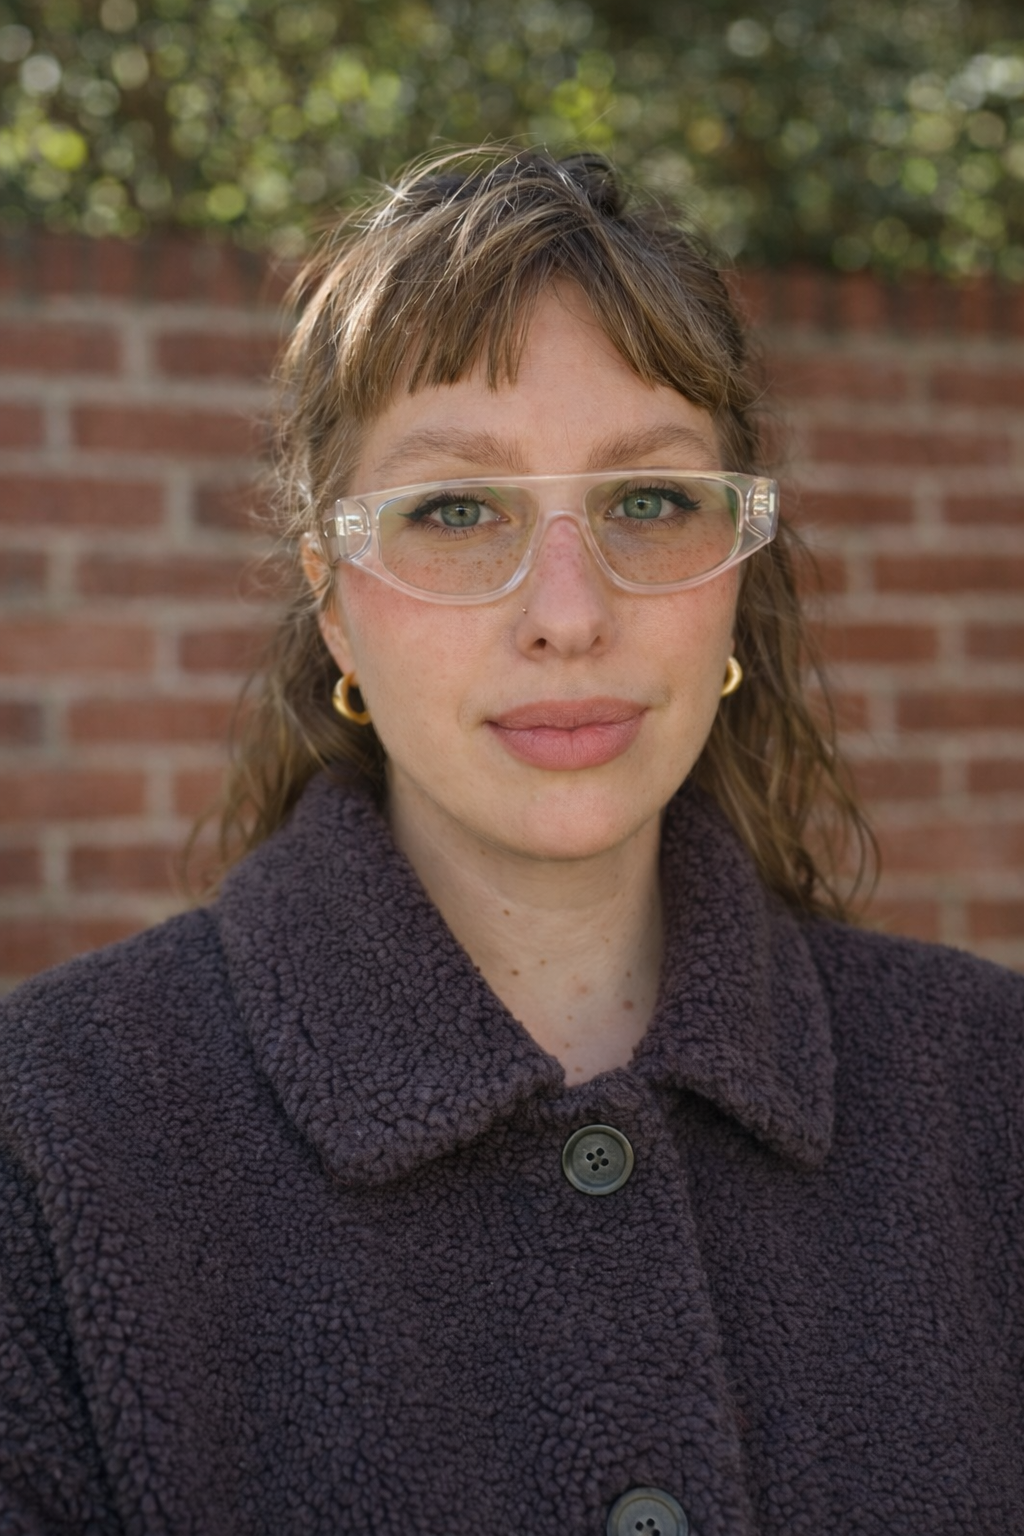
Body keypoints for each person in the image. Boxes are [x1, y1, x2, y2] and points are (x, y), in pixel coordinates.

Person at [1, 148, 1021, 1536]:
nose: (568, 611)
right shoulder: (50, 1144)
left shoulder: (988, 1095)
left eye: (649, 502)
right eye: (455, 510)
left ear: (736, 564)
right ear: (334, 600)